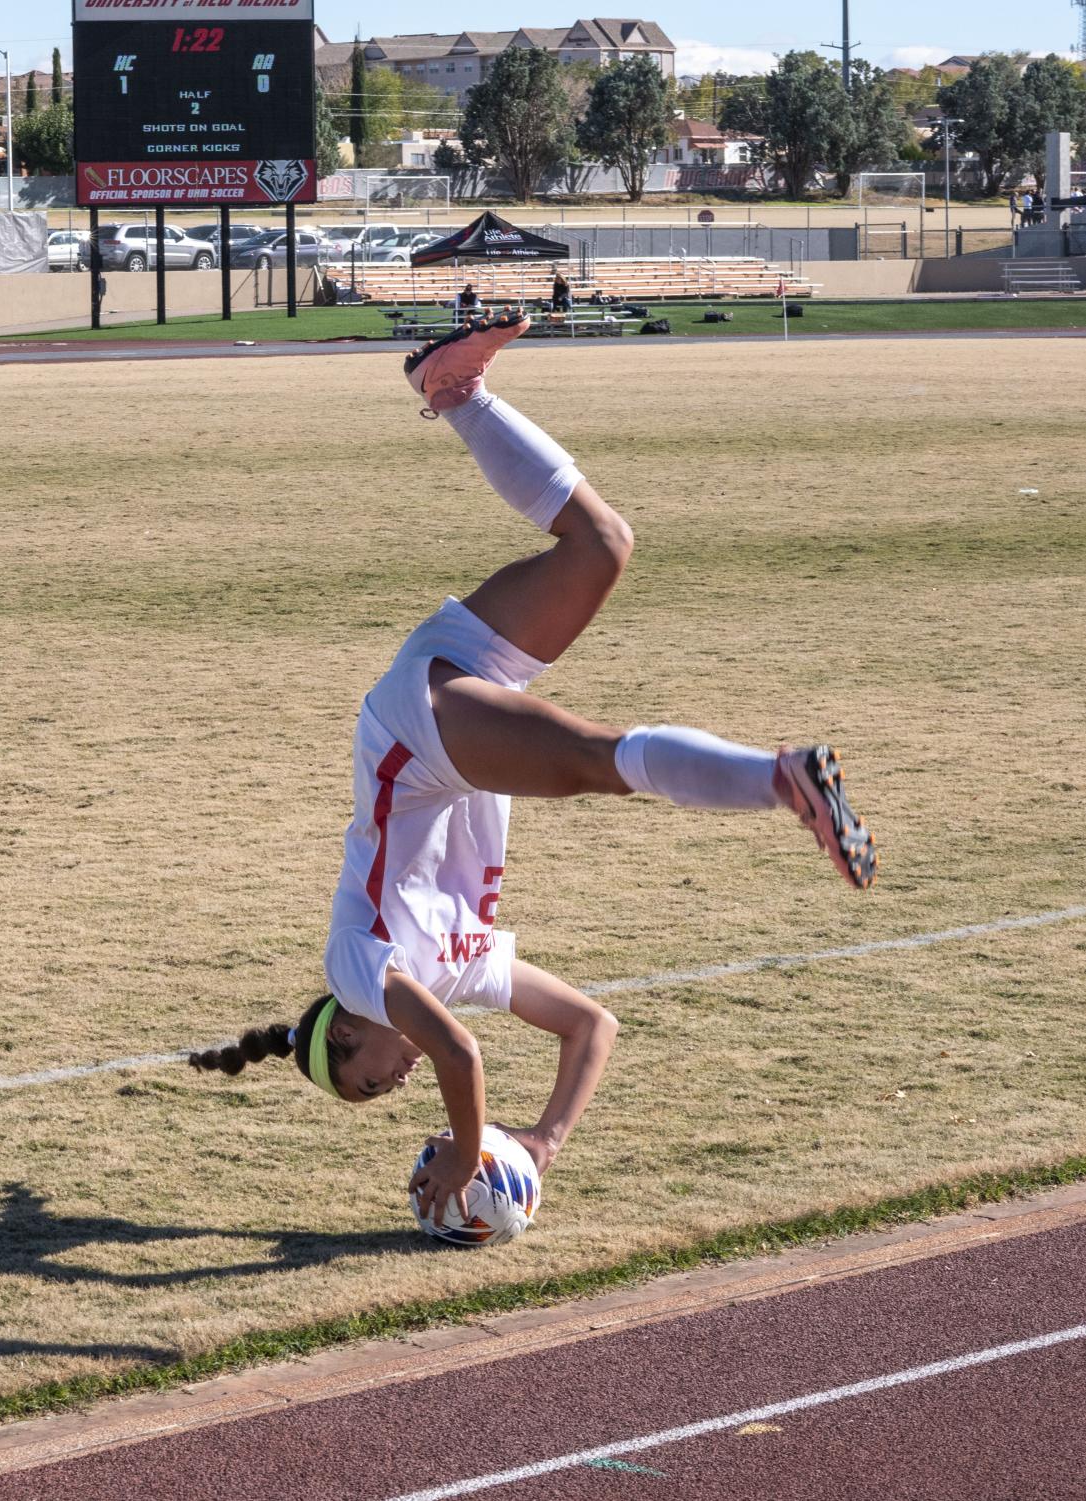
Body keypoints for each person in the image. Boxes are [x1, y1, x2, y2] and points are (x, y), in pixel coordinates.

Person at [189, 314, 876, 1227]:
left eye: (360, 1085)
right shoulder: (462, 973)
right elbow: (594, 1026)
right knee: (602, 546)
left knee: (596, 760)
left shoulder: (355, 972)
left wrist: (464, 1157)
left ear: (344, 1034)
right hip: (440, 702)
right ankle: (454, 391)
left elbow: (459, 1060)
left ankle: (780, 780)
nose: (386, 1091)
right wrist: (544, 1142)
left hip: (417, 744)